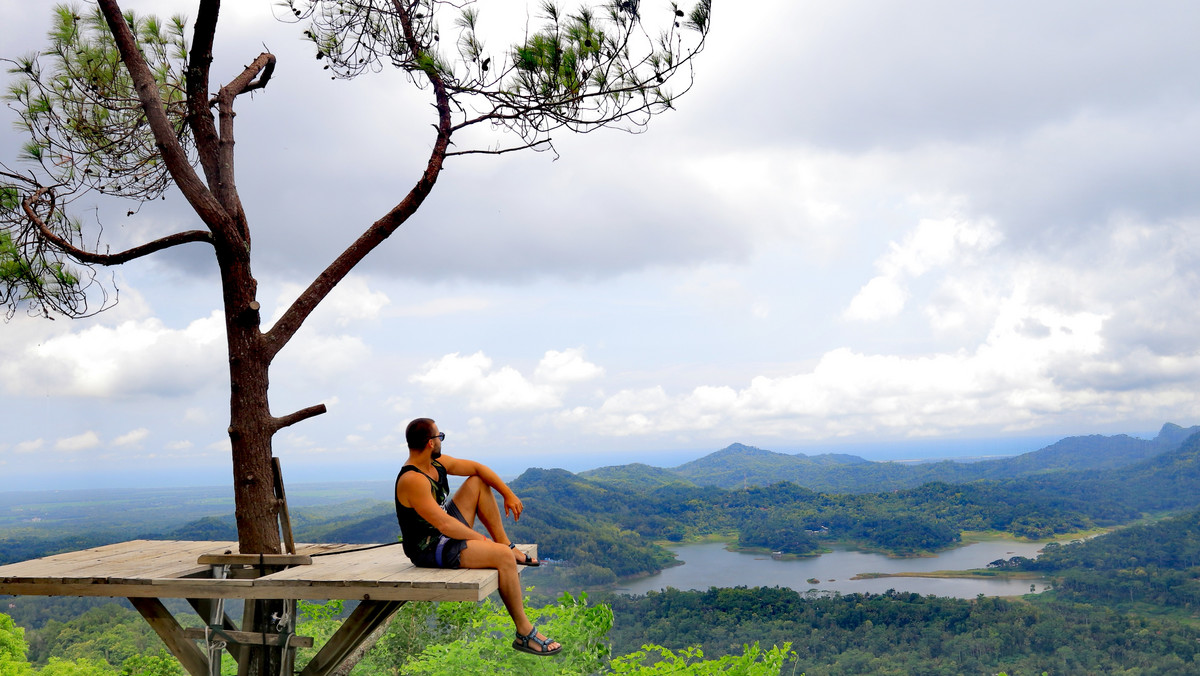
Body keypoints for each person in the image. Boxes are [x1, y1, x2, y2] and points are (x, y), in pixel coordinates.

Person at [394, 418, 562, 656]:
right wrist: (482, 541)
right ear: (431, 443)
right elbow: (444, 524)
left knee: (478, 483)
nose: (441, 440)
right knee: (503, 557)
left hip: (445, 531)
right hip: (430, 547)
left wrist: (508, 494)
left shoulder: (436, 464)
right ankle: (524, 632)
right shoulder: (413, 479)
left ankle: (506, 543)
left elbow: (478, 469)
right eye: (440, 436)